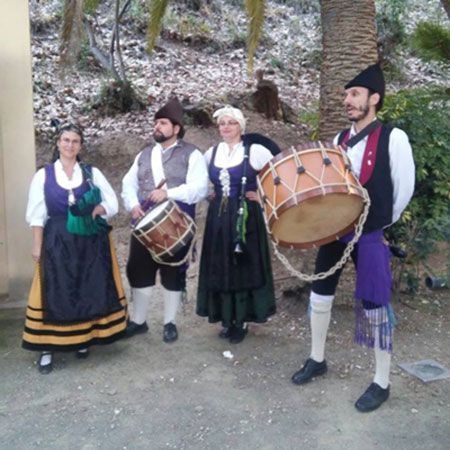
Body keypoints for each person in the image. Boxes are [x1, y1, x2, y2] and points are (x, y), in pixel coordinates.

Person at [291, 64, 415, 412]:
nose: (347, 100)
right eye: (346, 95)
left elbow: (403, 189)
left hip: (370, 233)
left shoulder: (394, 138)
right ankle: (317, 358)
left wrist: (375, 225)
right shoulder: (337, 141)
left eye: (355, 94)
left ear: (374, 99)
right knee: (320, 294)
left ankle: (381, 381)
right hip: (334, 231)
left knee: (376, 305)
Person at [23, 123, 128, 374]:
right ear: (58, 143)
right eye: (65, 140)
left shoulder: (91, 173)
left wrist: (97, 209)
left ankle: (83, 339)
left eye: (75, 141)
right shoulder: (44, 175)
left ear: (80, 146)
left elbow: (112, 202)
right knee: (56, 290)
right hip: (58, 239)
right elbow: (37, 215)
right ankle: (47, 348)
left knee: (86, 287)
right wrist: (37, 246)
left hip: (90, 240)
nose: (70, 145)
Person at [122, 97, 208, 343]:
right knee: (138, 270)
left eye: (162, 123)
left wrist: (168, 193)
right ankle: (139, 321)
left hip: (175, 224)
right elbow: (129, 183)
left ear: (176, 128)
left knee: (172, 274)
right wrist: (133, 205)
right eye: (156, 123)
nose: (157, 127)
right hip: (143, 224)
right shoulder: (144, 154)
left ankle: (170, 322)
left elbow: (199, 189)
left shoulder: (192, 154)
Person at [196, 105, 276, 343]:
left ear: (240, 126)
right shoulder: (210, 153)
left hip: (245, 218)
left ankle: (240, 320)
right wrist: (207, 195)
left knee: (241, 266)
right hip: (218, 219)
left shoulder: (256, 151)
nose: (226, 127)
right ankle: (225, 318)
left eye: (231, 123)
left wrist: (262, 197)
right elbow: (199, 182)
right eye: (222, 123)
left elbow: (280, 176)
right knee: (220, 265)